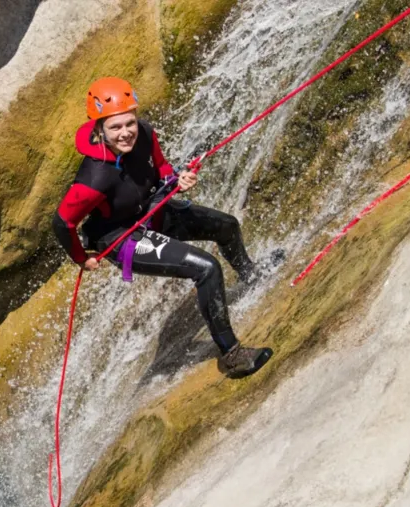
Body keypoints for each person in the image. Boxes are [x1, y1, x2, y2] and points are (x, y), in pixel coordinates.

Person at [51, 77, 273, 378]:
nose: (126, 132)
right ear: (99, 129)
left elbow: (162, 169)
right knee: (207, 268)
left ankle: (251, 275)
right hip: (121, 237)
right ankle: (231, 356)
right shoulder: (94, 177)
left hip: (151, 209)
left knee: (227, 226)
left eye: (129, 123)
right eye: (115, 127)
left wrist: (177, 180)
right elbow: (63, 222)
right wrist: (81, 258)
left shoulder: (144, 134)